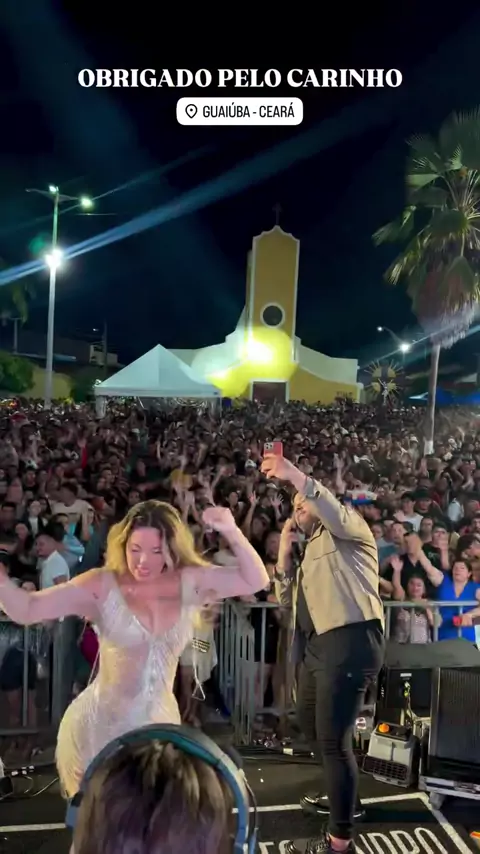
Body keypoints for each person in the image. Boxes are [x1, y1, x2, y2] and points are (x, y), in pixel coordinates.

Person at [0, 499, 269, 797]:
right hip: (99, 732)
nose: (143, 561)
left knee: (156, 816)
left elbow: (255, 580)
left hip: (160, 728)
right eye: (135, 549)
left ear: (172, 548)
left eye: (156, 551)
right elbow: (27, 609)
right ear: (122, 545)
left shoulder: (191, 580)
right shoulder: (101, 585)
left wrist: (231, 530)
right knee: (101, 820)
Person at [261, 454, 385, 854]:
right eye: (294, 506)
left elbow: (324, 501)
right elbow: (286, 603)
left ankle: (339, 841)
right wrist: (284, 552)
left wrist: (294, 476)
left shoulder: (348, 528)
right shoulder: (308, 556)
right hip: (317, 648)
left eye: (304, 502)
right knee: (311, 727)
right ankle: (342, 796)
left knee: (332, 740)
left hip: (348, 639)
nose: (298, 508)